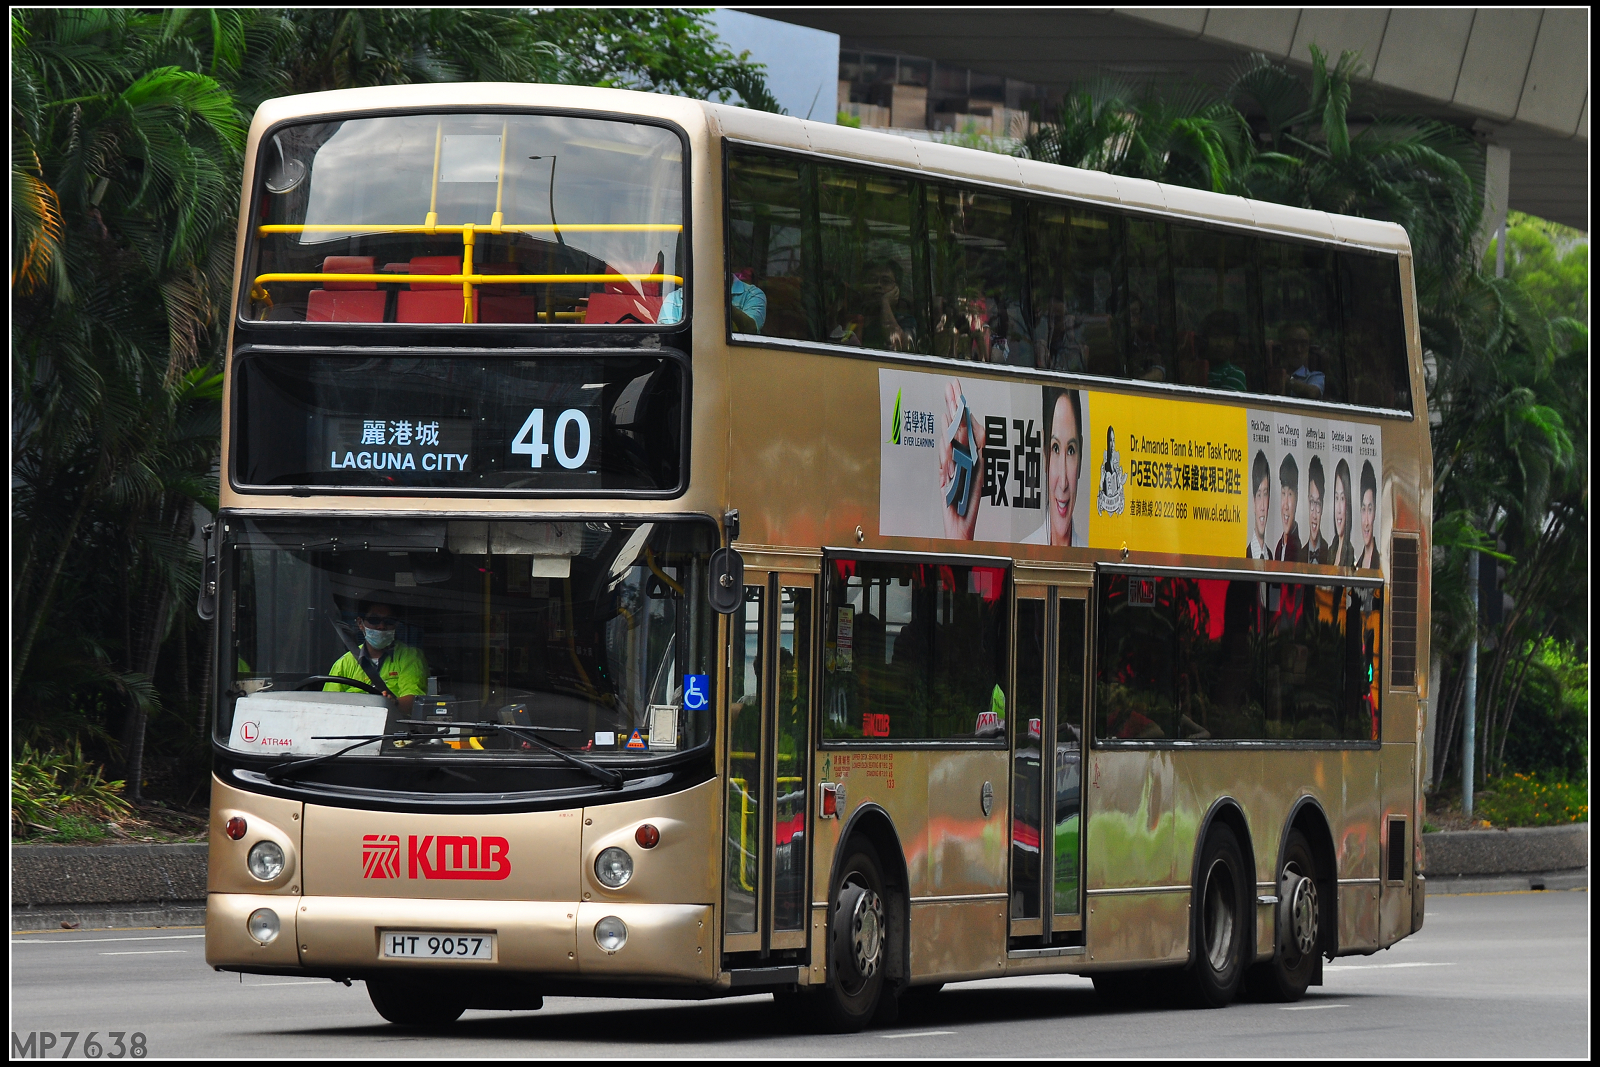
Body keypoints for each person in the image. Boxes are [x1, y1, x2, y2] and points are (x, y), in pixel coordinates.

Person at [324, 600, 428, 714]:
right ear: (360, 623)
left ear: (396, 624)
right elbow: (327, 705)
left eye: (389, 621)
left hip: (393, 727)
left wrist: (393, 704)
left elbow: (415, 701)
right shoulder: (344, 663)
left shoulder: (410, 656)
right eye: (374, 620)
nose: (381, 626)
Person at [657, 270, 766, 333]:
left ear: (729, 253)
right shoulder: (675, 298)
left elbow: (751, 329)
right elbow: (671, 336)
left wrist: (719, 300)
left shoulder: (753, 294)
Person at [1044, 387, 1086, 547]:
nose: (1063, 484)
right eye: (1055, 448)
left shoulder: (1091, 556)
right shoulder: (1021, 551)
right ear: (1044, 453)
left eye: (1071, 450)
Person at [1201, 308, 1247, 392]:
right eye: (1215, 336)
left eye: (1227, 338)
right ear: (1205, 339)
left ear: (1235, 342)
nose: (1221, 343)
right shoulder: (1195, 370)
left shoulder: (1234, 374)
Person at [1277, 323, 1326, 399]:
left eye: (1303, 344)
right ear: (1283, 346)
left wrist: (1288, 381)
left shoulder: (1315, 376)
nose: (1298, 350)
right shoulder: (1271, 373)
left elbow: (1313, 393)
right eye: (1293, 344)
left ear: (1309, 348)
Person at [1301, 456, 1329, 564]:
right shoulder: (1299, 555)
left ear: (1322, 507)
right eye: (1312, 502)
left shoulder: (1330, 553)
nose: (1314, 515)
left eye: (1317, 504)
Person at [1274, 454, 1301, 562]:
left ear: (1297, 497)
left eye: (1290, 494)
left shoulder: (1298, 550)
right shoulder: (1278, 547)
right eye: (1283, 493)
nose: (1285, 506)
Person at [1330, 459, 1356, 566]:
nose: (1339, 509)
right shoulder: (1331, 549)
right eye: (1336, 498)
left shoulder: (1350, 553)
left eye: (1342, 498)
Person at [1356, 460, 1380, 570]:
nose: (1366, 522)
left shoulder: (1380, 563)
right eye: (1363, 509)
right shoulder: (1355, 564)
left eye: (1370, 510)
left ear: (1375, 512)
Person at [1247, 451, 1272, 560]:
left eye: (1265, 494)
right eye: (1258, 495)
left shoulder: (1271, 557)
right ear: (1253, 501)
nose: (1262, 506)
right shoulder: (1243, 556)